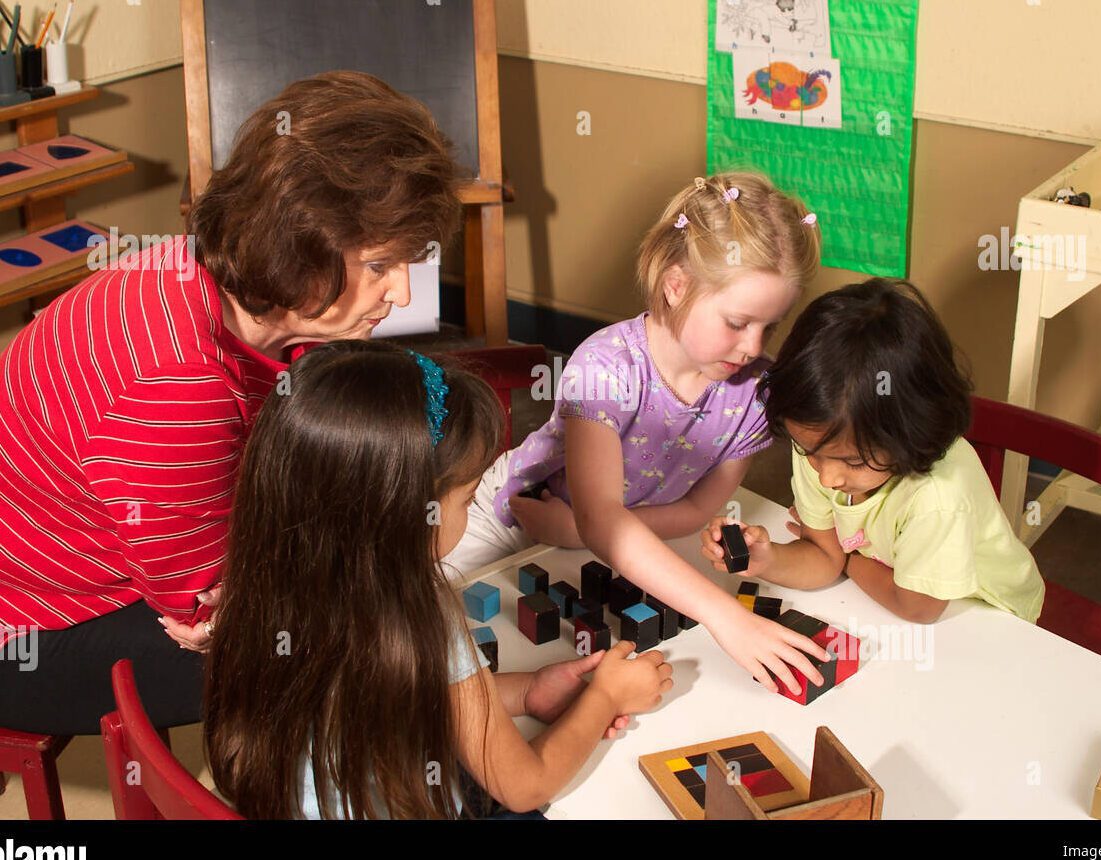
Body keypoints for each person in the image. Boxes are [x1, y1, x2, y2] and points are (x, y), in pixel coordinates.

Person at [0, 70, 463, 735]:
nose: (401, 294)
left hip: (89, 555)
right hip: (33, 628)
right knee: (346, 646)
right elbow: (201, 612)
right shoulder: (175, 387)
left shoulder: (199, 270)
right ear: (299, 246)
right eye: (381, 267)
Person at [204, 341, 674, 819]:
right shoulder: (421, 616)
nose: (471, 514)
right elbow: (526, 786)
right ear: (409, 512)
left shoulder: (265, 583)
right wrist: (606, 696)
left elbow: (410, 694)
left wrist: (527, 690)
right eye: (468, 498)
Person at [444, 172, 830, 694]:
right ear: (676, 286)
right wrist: (725, 617)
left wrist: (576, 531)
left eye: (771, 326)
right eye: (738, 322)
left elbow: (693, 512)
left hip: (602, 536)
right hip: (509, 517)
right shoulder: (605, 366)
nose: (752, 347)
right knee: (433, 635)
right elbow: (602, 518)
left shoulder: (754, 393)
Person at [701, 278, 1045, 624]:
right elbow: (823, 557)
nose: (827, 476)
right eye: (809, 452)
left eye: (853, 461)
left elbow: (918, 608)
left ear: (910, 434)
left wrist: (846, 556)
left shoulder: (938, 497)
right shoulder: (821, 440)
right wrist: (768, 559)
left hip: (988, 615)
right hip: (897, 585)